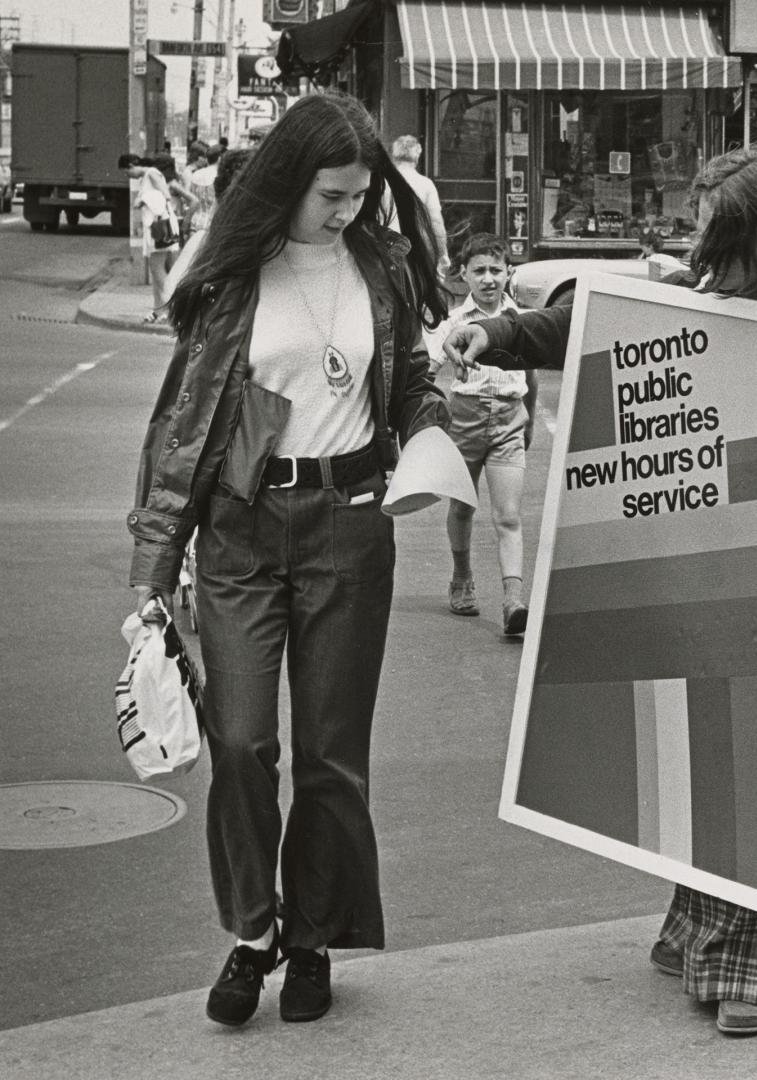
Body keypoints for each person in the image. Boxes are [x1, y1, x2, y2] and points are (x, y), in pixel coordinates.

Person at [443, 145, 757, 1037]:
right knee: (714, 761)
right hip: (703, 568)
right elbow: (585, 328)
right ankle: (699, 934)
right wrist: (492, 332)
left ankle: (749, 970)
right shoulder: (701, 295)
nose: (706, 259)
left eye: (723, 242)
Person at [126, 90, 448, 1028]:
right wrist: (152, 577)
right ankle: (252, 932)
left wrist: (430, 435)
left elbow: (412, 381)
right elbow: (184, 430)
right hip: (241, 532)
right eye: (330, 194)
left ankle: (311, 940)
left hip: (351, 524)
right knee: (239, 742)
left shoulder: (382, 265)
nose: (346, 210)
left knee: (332, 758)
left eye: (358, 194)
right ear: (288, 180)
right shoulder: (231, 275)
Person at [434, 233, 537, 634]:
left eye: (496, 270)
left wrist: (527, 416)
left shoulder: (521, 319)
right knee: (462, 506)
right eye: (479, 271)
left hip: (509, 421)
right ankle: (462, 577)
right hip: (465, 420)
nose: (489, 278)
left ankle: (513, 600)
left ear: (509, 272)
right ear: (464, 275)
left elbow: (530, 370)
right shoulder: (455, 323)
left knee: (509, 515)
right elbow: (428, 370)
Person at [165, 147, 254, 301]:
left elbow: (192, 197)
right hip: (216, 219)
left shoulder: (196, 175)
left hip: (199, 219)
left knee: (195, 263)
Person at [118, 153, 186, 322]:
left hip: (159, 227)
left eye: (127, 172)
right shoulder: (148, 176)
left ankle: (175, 307)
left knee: (157, 269)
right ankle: (159, 310)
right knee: (156, 271)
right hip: (157, 227)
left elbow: (165, 196)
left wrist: (142, 200)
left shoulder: (152, 173)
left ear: (133, 165)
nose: (128, 176)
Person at [386, 134, 448, 265]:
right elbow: (436, 223)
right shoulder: (425, 184)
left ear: (393, 155)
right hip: (415, 248)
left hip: (385, 247)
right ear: (418, 154)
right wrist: (443, 253)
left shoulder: (382, 182)